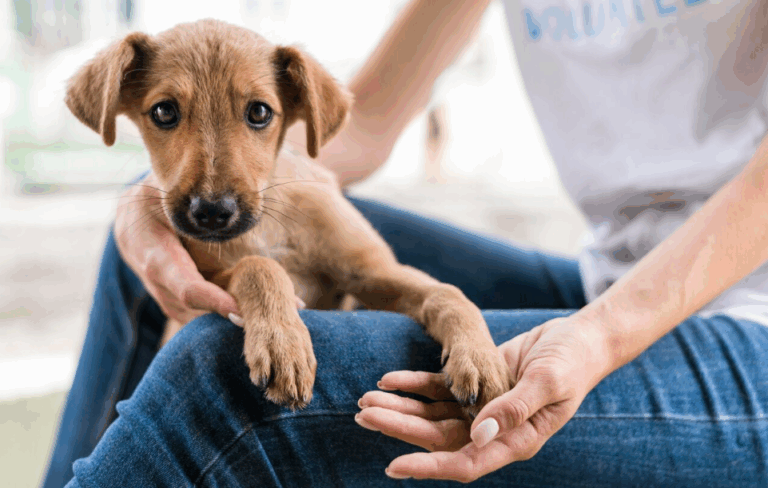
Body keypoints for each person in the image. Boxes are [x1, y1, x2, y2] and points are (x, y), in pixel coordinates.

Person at [43, 0, 768, 486]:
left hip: (750, 326)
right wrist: (150, 197)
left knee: (220, 372)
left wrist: (599, 338)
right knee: (142, 243)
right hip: (604, 276)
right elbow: (354, 131)